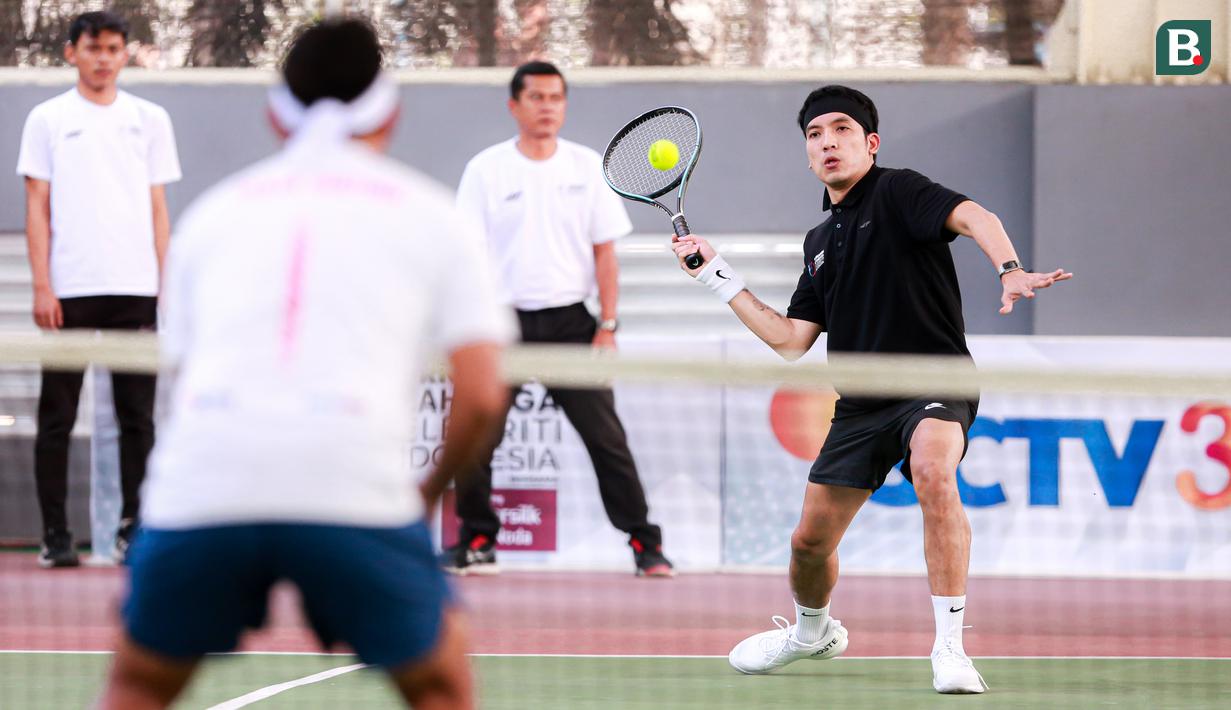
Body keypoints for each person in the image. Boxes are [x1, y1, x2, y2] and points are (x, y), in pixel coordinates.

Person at [97, 19, 513, 710]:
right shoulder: (436, 216)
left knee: (138, 685)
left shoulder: (210, 215)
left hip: (206, 486)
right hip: (353, 491)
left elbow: (185, 373)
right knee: (440, 685)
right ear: (392, 113)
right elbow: (479, 397)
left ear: (273, 114)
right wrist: (421, 497)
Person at [673, 85, 1071, 694]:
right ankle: (813, 631)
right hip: (861, 404)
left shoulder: (900, 190)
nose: (828, 142)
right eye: (815, 134)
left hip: (934, 380)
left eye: (842, 129)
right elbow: (789, 339)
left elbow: (974, 217)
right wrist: (716, 275)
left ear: (870, 142)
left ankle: (950, 648)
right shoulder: (819, 244)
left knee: (935, 472)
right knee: (808, 544)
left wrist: (1010, 268)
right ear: (807, 154)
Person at [441, 61, 673, 578]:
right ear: (514, 106)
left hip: (573, 325)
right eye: (537, 97)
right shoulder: (485, 170)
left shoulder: (588, 166)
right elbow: (467, 258)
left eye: (556, 98)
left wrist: (607, 326)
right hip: (502, 327)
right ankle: (478, 540)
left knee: (607, 440)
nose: (548, 106)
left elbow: (605, 253)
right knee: (476, 438)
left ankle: (645, 545)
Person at [15, 10, 181, 568]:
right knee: (57, 417)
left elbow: (158, 208)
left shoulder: (151, 119)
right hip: (69, 290)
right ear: (72, 53)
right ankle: (55, 536)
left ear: (125, 53)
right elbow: (36, 206)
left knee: (139, 419)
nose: (103, 58)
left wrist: (166, 282)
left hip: (135, 289)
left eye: (113, 48)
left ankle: (136, 529)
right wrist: (43, 285)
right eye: (93, 48)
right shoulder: (47, 118)